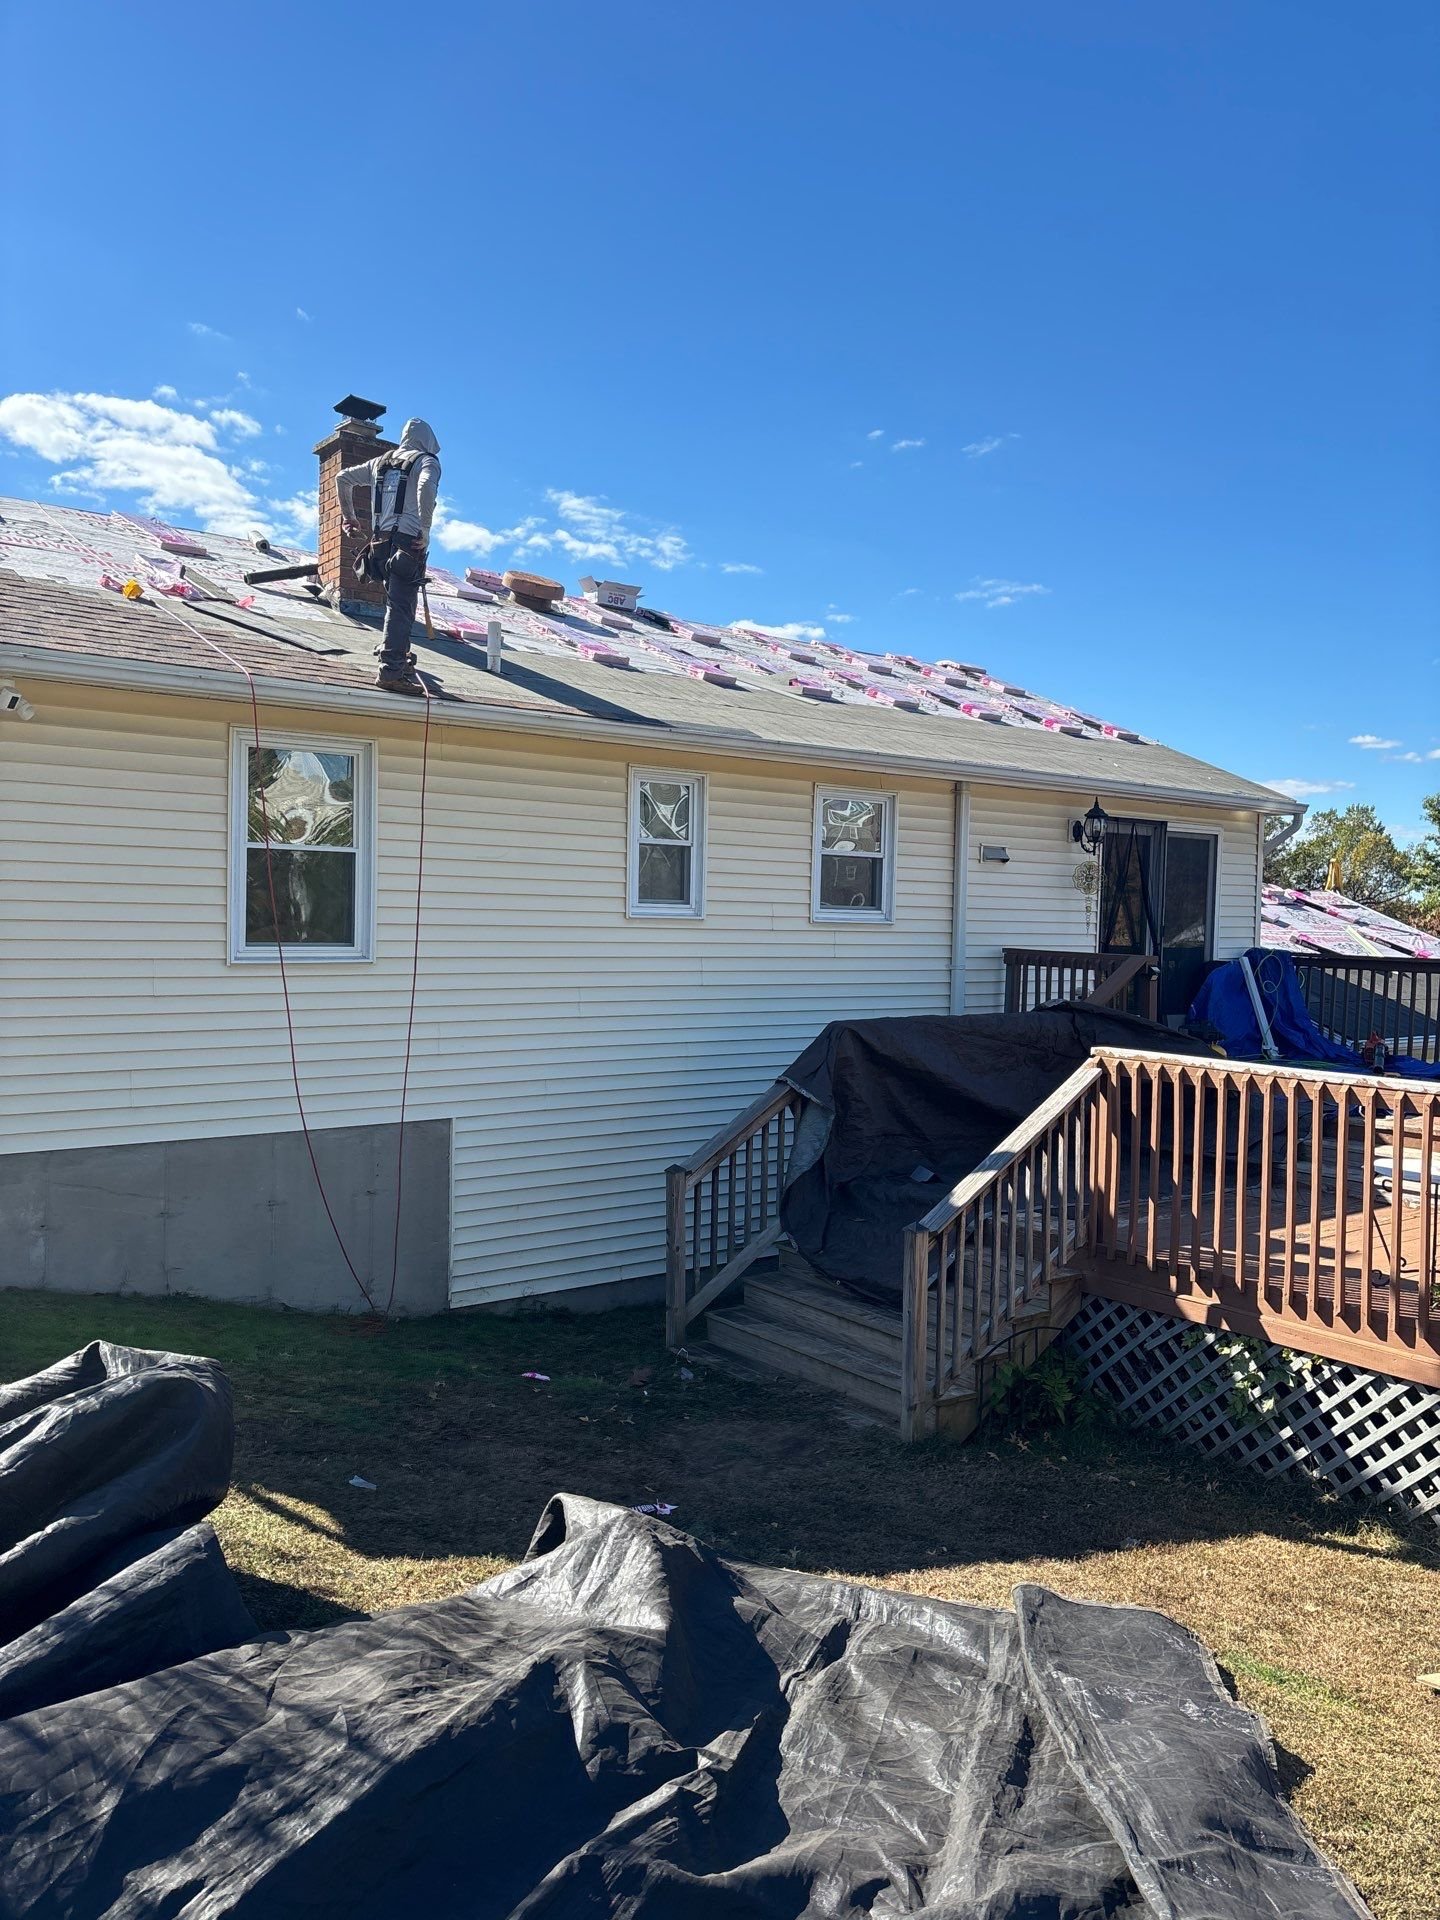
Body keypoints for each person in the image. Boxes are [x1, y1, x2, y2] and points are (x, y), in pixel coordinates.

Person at [337, 417, 440, 695]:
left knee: (395, 603)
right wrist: (425, 528)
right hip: (408, 544)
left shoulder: (379, 462)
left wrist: (350, 518)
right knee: (401, 607)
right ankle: (391, 671)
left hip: (380, 545)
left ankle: (398, 656)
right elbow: (426, 487)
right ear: (428, 441)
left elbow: (342, 478)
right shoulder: (426, 461)